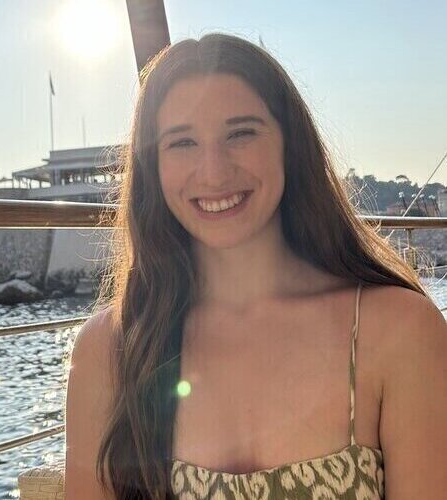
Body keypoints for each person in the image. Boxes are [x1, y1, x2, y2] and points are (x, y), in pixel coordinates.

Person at [64, 33, 446, 499]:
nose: (214, 172)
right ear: (153, 169)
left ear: (290, 144)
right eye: (182, 143)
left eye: (241, 133)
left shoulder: (400, 331)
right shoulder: (109, 351)